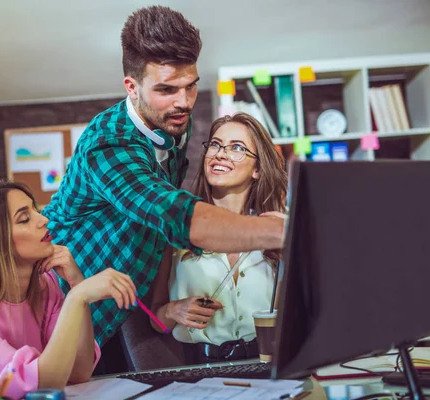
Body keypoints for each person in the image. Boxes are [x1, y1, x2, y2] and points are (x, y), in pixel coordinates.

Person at [42, 5, 284, 348]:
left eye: (191, 87)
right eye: (167, 90)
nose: (183, 102)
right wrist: (284, 230)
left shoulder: (172, 127)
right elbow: (170, 211)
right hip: (61, 314)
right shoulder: (107, 144)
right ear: (132, 86)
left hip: (121, 314)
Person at [0, 181, 137, 399]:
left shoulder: (47, 286)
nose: (44, 220)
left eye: (35, 210)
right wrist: (77, 296)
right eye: (25, 218)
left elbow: (79, 372)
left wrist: (76, 284)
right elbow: (40, 384)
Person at [149, 113, 287, 364]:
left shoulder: (276, 230)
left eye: (237, 148)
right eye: (215, 144)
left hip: (269, 366)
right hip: (202, 372)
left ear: (257, 169)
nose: (220, 154)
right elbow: (156, 321)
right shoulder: (176, 231)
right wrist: (173, 310)